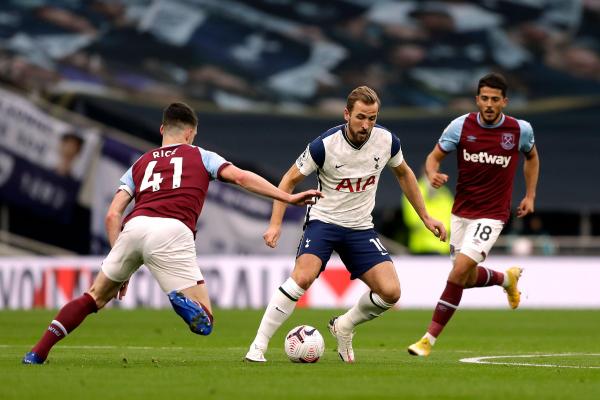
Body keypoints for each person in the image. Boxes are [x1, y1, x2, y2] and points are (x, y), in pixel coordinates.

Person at [22, 102, 321, 365]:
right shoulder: (201, 156)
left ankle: (37, 352)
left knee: (93, 298)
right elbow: (240, 177)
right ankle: (180, 299)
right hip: (172, 231)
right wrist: (288, 198)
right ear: (191, 133)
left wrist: (119, 260)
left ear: (163, 128)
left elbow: (113, 213)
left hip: (134, 227)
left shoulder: (140, 163)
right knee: (205, 320)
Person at [244, 86, 447, 363]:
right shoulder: (324, 146)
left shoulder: (387, 141)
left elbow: (405, 174)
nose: (366, 125)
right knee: (302, 277)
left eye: (373, 118)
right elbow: (289, 180)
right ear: (347, 114)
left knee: (390, 292)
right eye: (361, 117)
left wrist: (425, 216)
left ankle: (344, 325)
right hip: (324, 222)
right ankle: (258, 346)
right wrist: (275, 224)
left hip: (360, 228)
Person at [407, 72, 540, 357]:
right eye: (484, 98)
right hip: (462, 213)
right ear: (477, 99)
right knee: (464, 278)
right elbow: (433, 157)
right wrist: (432, 174)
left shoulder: (520, 130)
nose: (489, 104)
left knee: (457, 273)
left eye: (495, 99)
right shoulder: (460, 126)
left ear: (504, 101)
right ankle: (507, 280)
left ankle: (428, 340)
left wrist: (529, 195)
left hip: (492, 215)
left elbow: (531, 157)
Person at [402, 168, 453, 254]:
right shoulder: (413, 191)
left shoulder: (445, 193)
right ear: (424, 175)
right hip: (421, 248)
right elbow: (411, 220)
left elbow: (452, 218)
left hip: (443, 248)